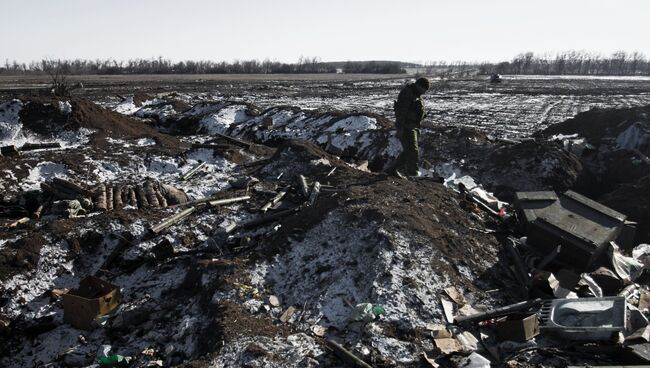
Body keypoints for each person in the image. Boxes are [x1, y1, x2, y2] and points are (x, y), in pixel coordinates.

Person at [389, 77, 430, 177]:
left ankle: (392, 169)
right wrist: (400, 129)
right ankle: (413, 174)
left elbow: (415, 110)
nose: (424, 92)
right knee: (412, 151)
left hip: (414, 126)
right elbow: (401, 113)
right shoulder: (407, 93)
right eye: (424, 89)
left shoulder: (417, 95)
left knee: (408, 150)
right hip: (407, 126)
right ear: (419, 86)